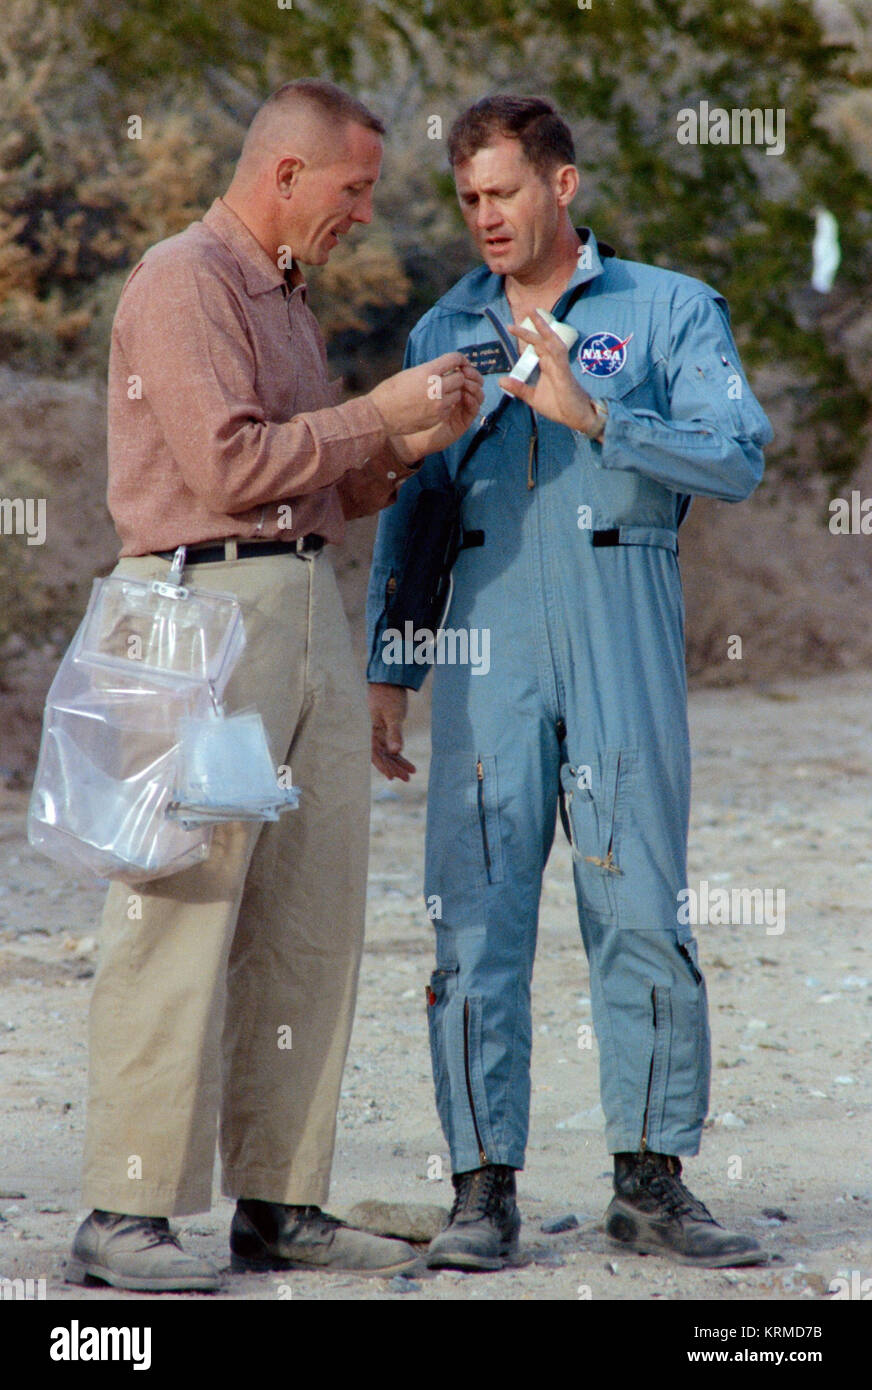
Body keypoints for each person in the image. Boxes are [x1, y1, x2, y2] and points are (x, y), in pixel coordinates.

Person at [67, 78, 483, 1292]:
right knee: (176, 911)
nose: (364, 212)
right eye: (356, 189)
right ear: (288, 174)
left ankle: (279, 1203)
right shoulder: (183, 279)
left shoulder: (284, 295)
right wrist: (373, 412)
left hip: (299, 606)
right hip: (197, 618)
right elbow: (230, 461)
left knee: (309, 925)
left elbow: (313, 486)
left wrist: (406, 443)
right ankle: (120, 1211)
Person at [366, 95, 773, 1272]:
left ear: (563, 185)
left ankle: (649, 1179)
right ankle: (479, 1191)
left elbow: (736, 451)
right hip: (484, 641)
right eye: (468, 201)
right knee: (474, 915)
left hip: (619, 616)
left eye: (503, 193)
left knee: (636, 902)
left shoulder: (667, 307)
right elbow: (415, 514)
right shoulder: (444, 328)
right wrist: (393, 662)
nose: (485, 218)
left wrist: (595, 413)